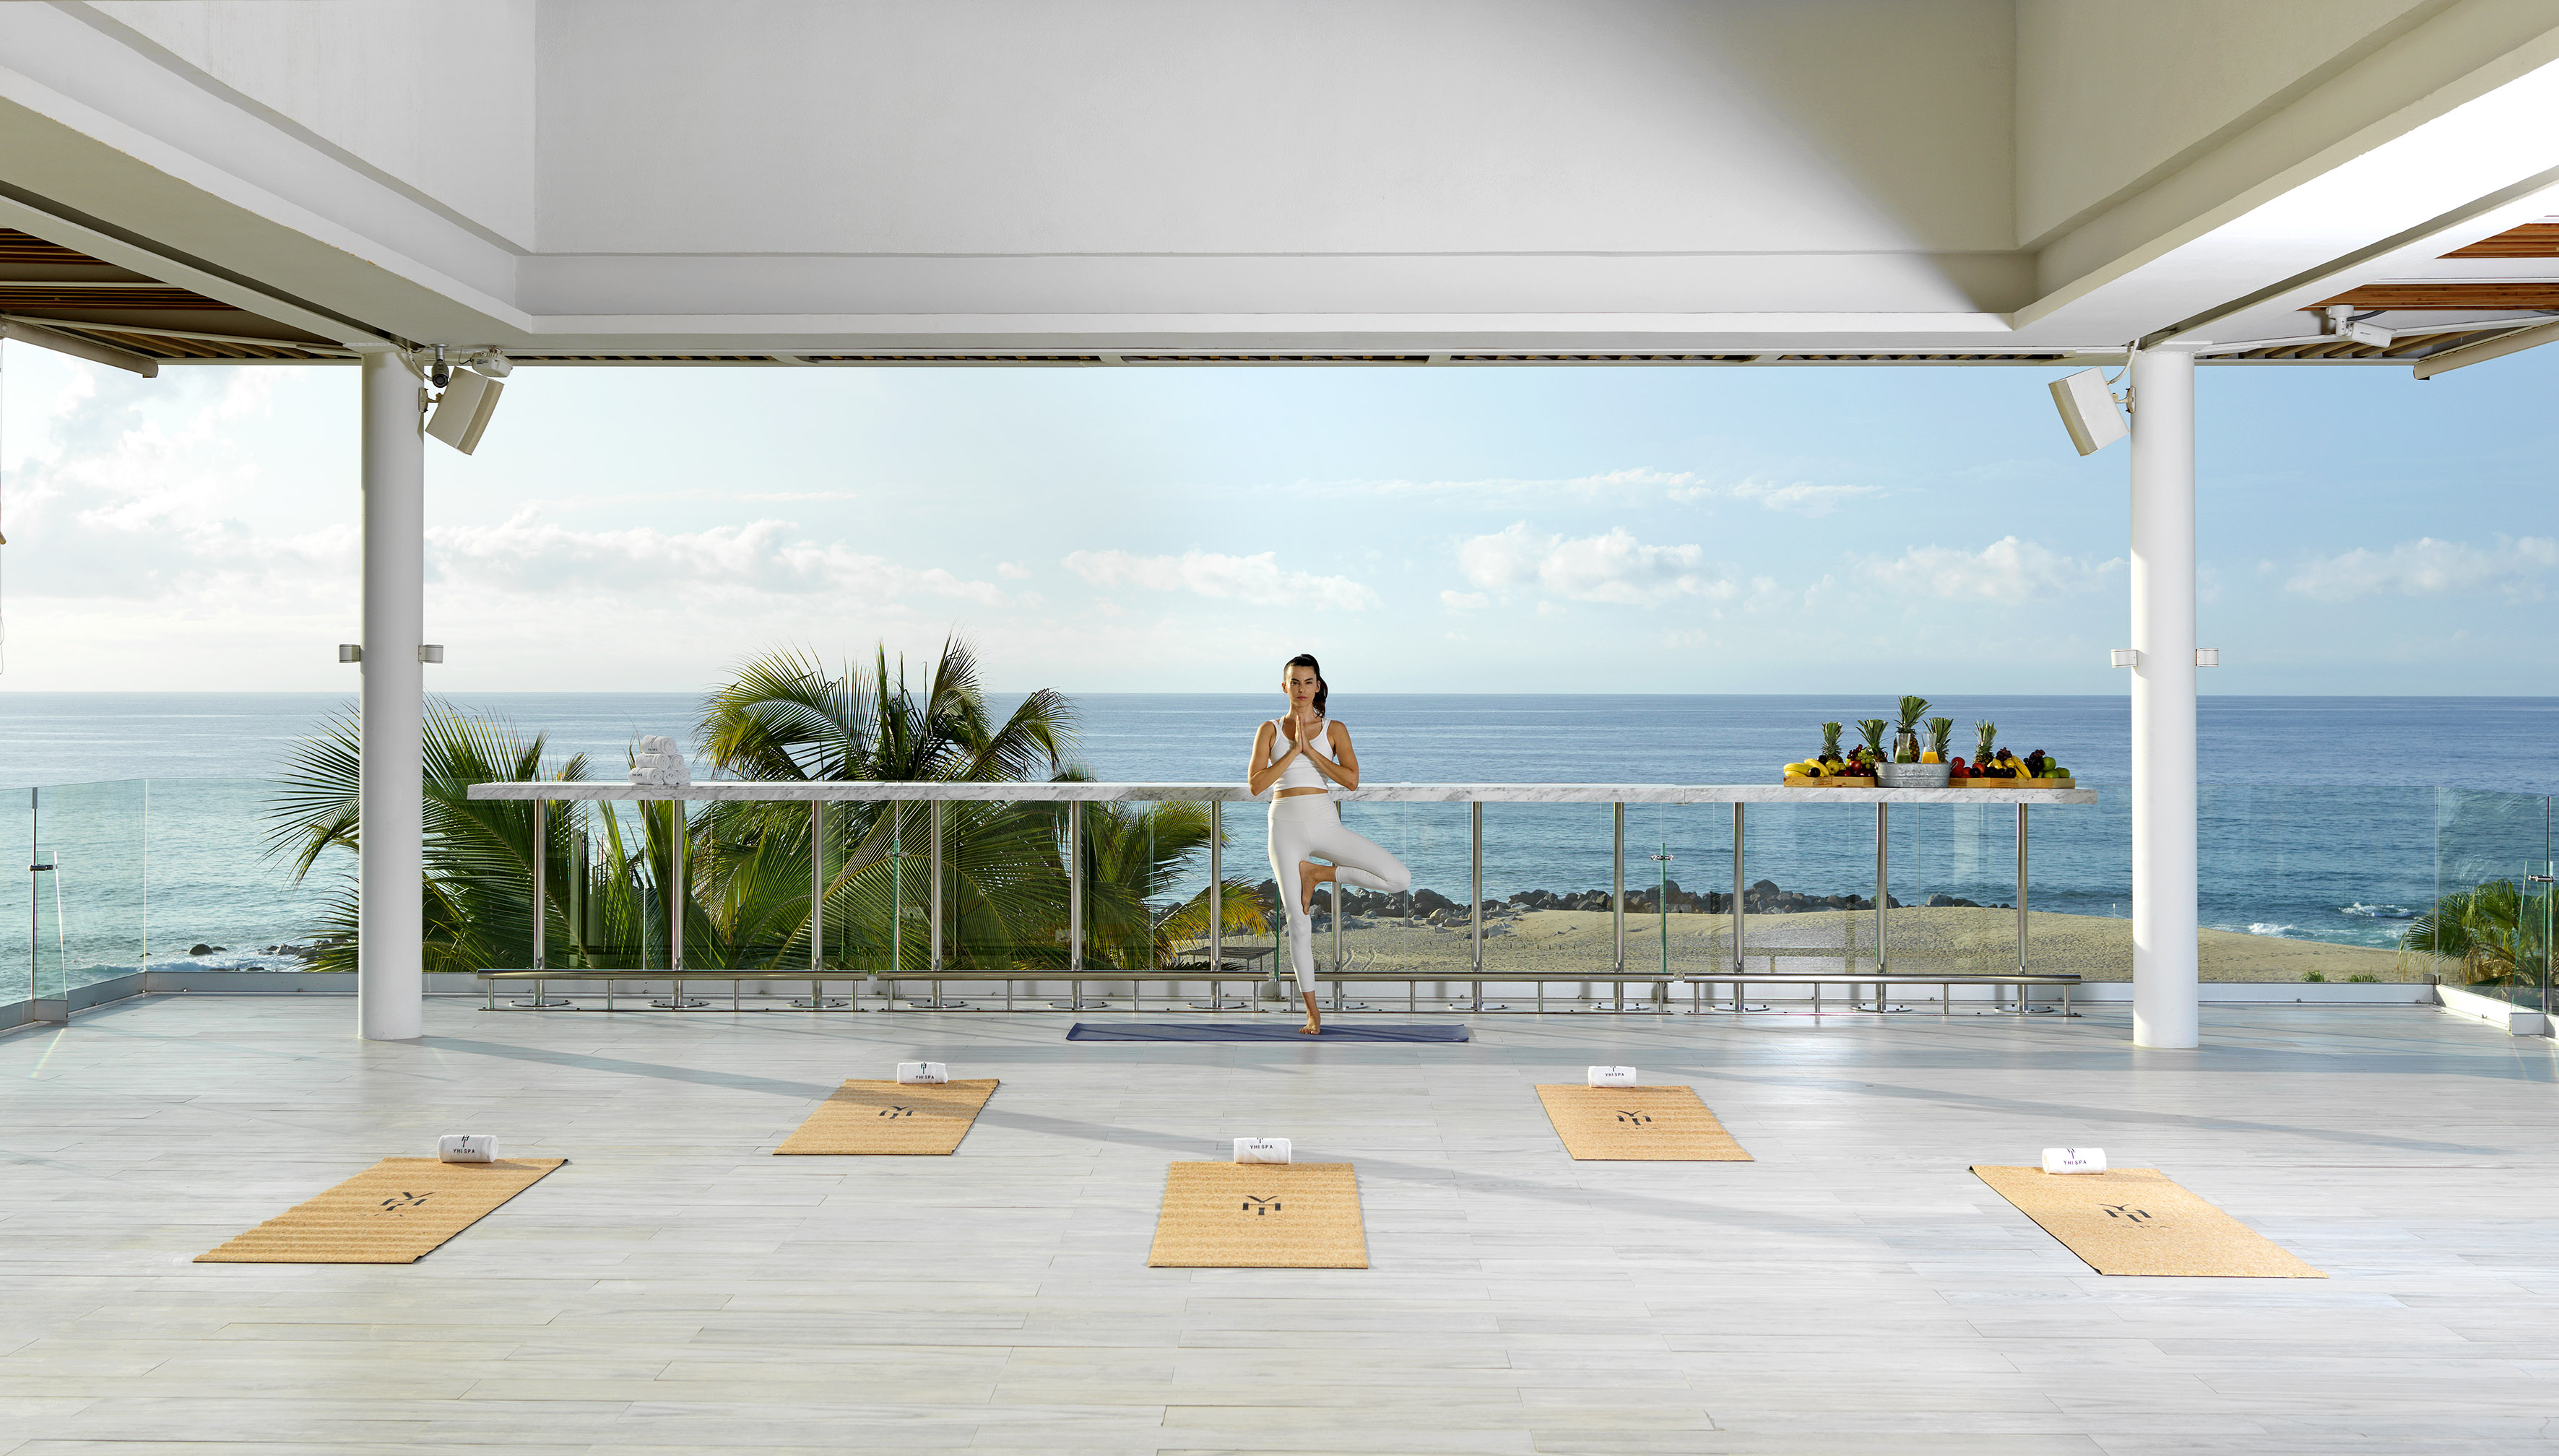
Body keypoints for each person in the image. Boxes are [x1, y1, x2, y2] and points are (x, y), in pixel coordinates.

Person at [1247, 654, 1411, 1035]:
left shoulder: (1334, 728)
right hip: (1284, 825)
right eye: (1295, 682)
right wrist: (1293, 750)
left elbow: (1351, 781)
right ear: (1284, 686)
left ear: (1318, 686)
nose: (1302, 689)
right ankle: (1312, 1013)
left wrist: (1312, 751)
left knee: (1398, 878)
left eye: (1308, 682)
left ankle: (1319, 873)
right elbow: (1256, 785)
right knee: (1298, 923)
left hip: (1325, 822)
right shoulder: (1269, 729)